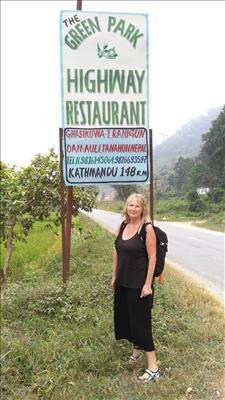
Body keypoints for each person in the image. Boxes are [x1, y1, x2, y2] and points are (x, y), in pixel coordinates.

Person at [111, 193, 160, 382]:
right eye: (130, 205)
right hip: (123, 281)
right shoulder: (122, 225)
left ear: (142, 209)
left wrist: (148, 284)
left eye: (137, 206)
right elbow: (117, 251)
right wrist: (115, 275)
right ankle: (136, 352)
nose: (133, 209)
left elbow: (153, 258)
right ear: (126, 207)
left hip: (139, 284)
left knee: (141, 322)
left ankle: (153, 367)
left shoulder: (146, 229)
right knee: (128, 318)